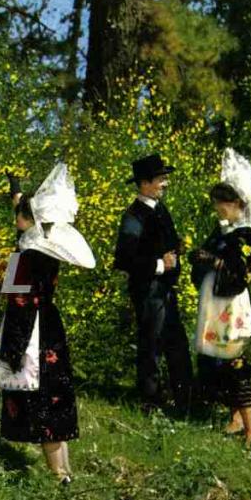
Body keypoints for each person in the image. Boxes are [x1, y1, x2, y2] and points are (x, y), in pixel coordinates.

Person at [0, 164, 95, 485]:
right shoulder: (44, 245)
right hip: (50, 323)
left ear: (27, 221)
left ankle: (59, 477)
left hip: (31, 328)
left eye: (17, 217)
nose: (14, 222)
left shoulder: (26, 258)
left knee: (43, 399)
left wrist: (13, 351)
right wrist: (16, 192)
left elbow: (21, 302)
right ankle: (66, 470)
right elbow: (26, 222)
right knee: (56, 393)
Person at [188, 149, 251, 447]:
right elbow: (201, 258)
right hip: (213, 304)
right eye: (217, 203)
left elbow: (242, 273)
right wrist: (200, 257)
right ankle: (235, 417)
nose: (218, 208)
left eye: (223, 203)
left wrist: (214, 262)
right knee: (217, 363)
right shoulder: (221, 233)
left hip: (231, 305)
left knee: (236, 363)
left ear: (238, 204)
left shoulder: (245, 236)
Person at [113, 153, 192, 414]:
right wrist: (160, 265)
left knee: (175, 343)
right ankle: (151, 403)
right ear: (145, 183)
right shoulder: (133, 216)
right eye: (161, 179)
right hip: (148, 292)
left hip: (165, 291)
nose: (165, 183)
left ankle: (184, 402)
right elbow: (125, 258)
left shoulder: (159, 209)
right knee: (152, 345)